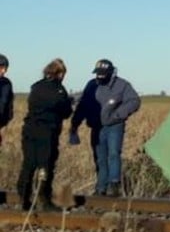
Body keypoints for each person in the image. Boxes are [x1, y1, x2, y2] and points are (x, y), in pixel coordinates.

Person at [18, 58, 73, 211]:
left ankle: (24, 197)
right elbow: (65, 111)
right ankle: (44, 198)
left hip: (29, 130)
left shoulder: (36, 87)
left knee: (28, 164)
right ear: (60, 73)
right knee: (45, 165)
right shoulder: (58, 90)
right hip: (47, 132)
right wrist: (69, 104)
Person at [84, 59, 139, 197]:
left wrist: (118, 115)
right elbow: (83, 103)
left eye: (103, 74)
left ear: (111, 73)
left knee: (113, 154)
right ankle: (101, 187)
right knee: (100, 158)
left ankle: (114, 185)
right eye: (98, 73)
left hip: (115, 126)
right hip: (97, 127)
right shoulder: (92, 85)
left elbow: (134, 101)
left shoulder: (122, 85)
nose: (100, 76)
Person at [69, 76, 102, 174]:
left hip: (103, 127)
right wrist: (75, 123)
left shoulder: (92, 84)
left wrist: (74, 124)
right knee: (106, 157)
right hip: (99, 126)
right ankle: (105, 185)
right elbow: (83, 105)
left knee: (102, 158)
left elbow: (83, 105)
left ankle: (105, 185)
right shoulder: (92, 84)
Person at [0, 54, 13, 145]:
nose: (4, 71)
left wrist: (7, 119)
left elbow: (8, 104)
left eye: (6, 68)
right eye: (1, 68)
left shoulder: (7, 83)